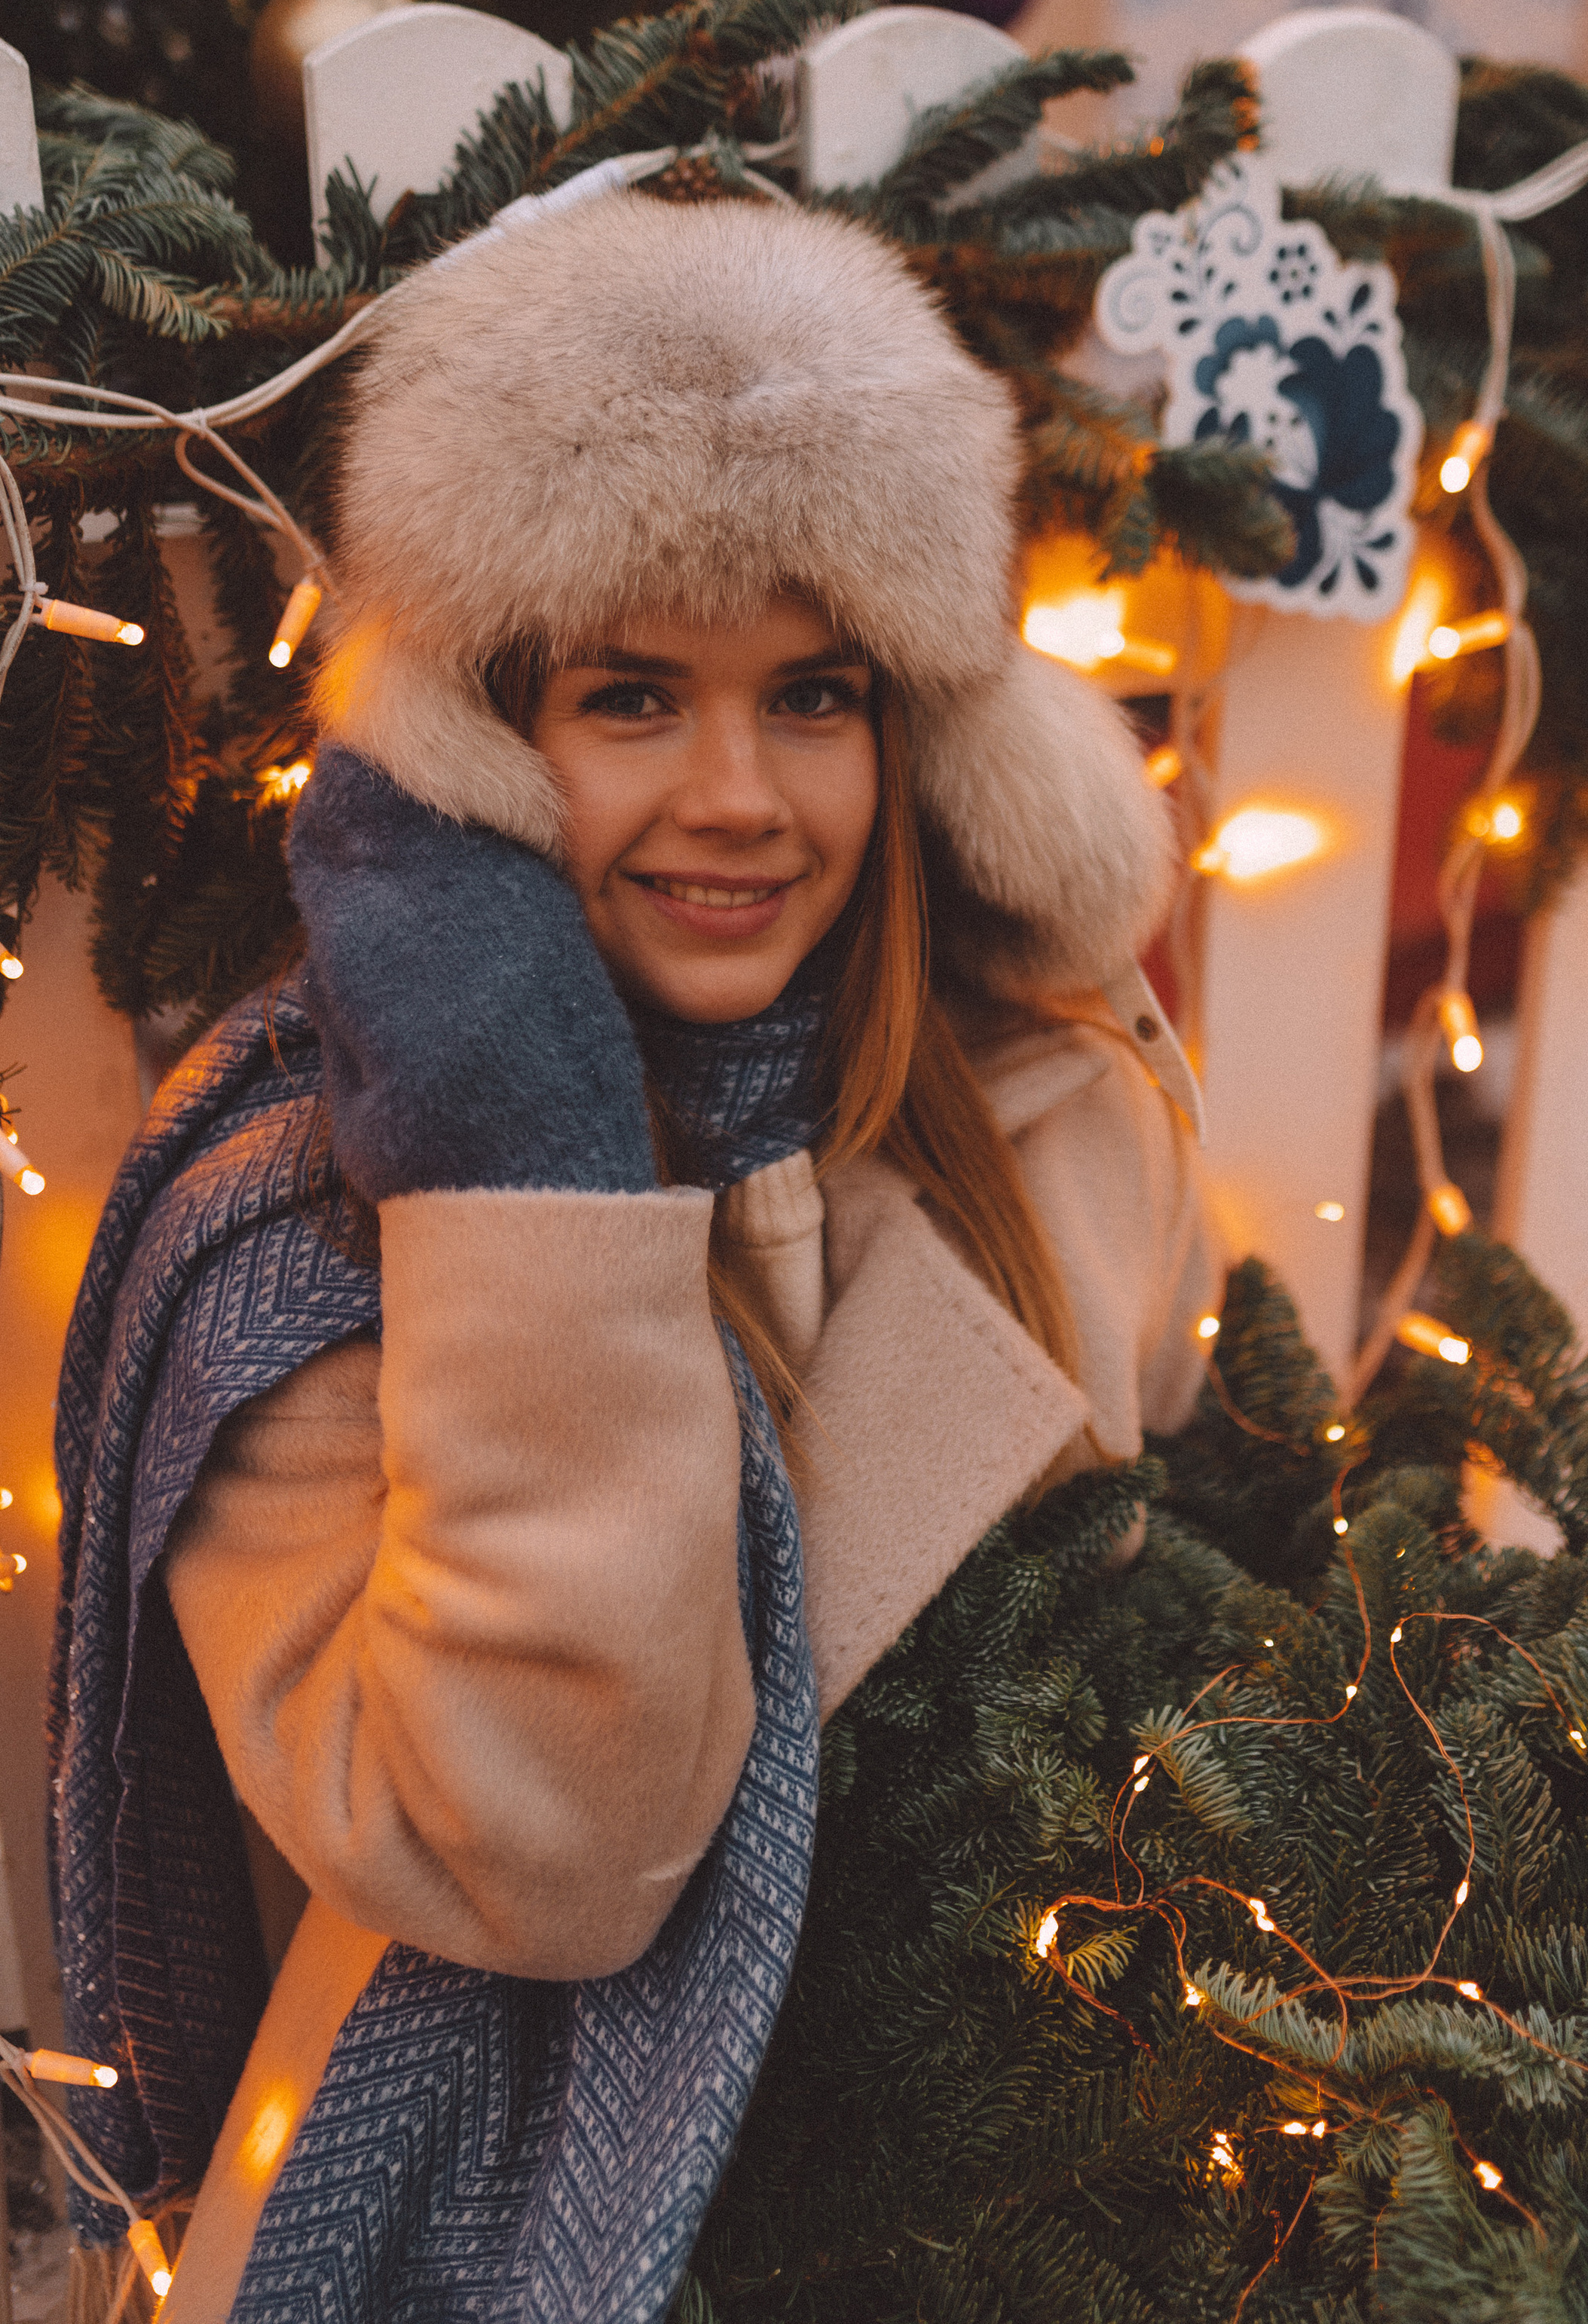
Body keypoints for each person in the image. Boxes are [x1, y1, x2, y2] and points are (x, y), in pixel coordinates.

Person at [48, 191, 1220, 2324]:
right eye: (632, 698)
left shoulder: (1050, 1121)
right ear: (480, 747)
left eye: (814, 697)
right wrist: (535, 1187)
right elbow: (547, 1865)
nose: (740, 795)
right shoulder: (304, 1252)